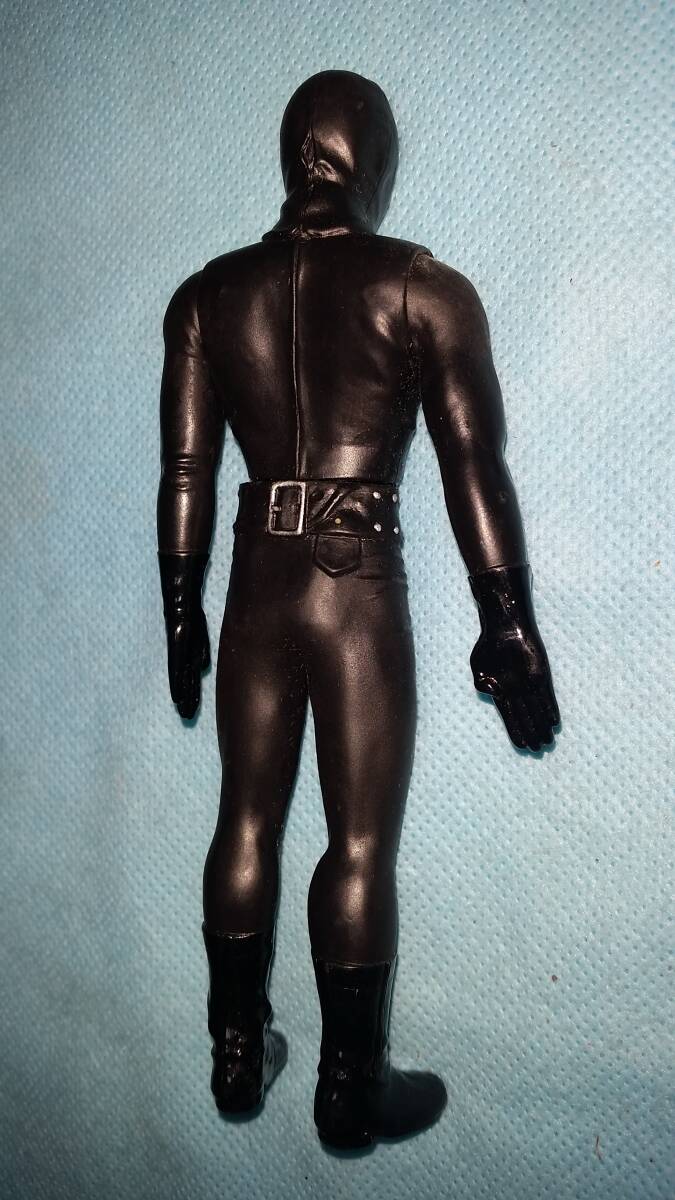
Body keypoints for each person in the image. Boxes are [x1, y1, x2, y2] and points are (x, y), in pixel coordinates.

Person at [157, 69, 559, 1150]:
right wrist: (506, 617)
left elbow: (187, 471)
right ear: (370, 162)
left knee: (243, 818)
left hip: (254, 581)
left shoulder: (207, 296)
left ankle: (235, 1054)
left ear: (294, 154)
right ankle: (350, 1086)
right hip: (357, 581)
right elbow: (474, 463)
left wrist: (181, 613)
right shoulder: (422, 288)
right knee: (359, 841)